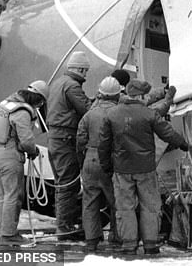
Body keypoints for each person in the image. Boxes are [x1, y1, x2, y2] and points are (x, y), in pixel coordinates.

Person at [99, 79, 189, 255]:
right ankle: (150, 244)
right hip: (146, 169)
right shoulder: (149, 114)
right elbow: (167, 132)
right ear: (139, 96)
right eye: (145, 94)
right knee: (150, 206)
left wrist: (107, 166)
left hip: (122, 169)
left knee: (125, 207)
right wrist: (183, 144)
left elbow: (104, 144)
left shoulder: (112, 115)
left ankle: (129, 244)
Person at [0, 80, 49, 246]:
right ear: (39, 100)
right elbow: (27, 141)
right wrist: (33, 151)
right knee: (13, 196)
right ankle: (8, 235)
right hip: (9, 157)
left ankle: (4, 232)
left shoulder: (7, 104)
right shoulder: (22, 112)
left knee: (3, 196)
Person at [46, 51, 93, 239]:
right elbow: (87, 111)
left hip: (54, 139)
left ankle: (63, 223)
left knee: (61, 183)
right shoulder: (72, 86)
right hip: (66, 139)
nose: (86, 75)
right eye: (86, 71)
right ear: (80, 69)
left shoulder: (57, 83)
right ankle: (65, 228)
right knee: (68, 184)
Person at [76, 77, 122, 251]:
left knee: (89, 203)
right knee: (117, 202)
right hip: (111, 161)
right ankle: (117, 238)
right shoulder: (119, 113)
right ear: (117, 95)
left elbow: (80, 141)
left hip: (90, 159)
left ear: (100, 93)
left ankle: (91, 241)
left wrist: (82, 163)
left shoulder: (89, 115)